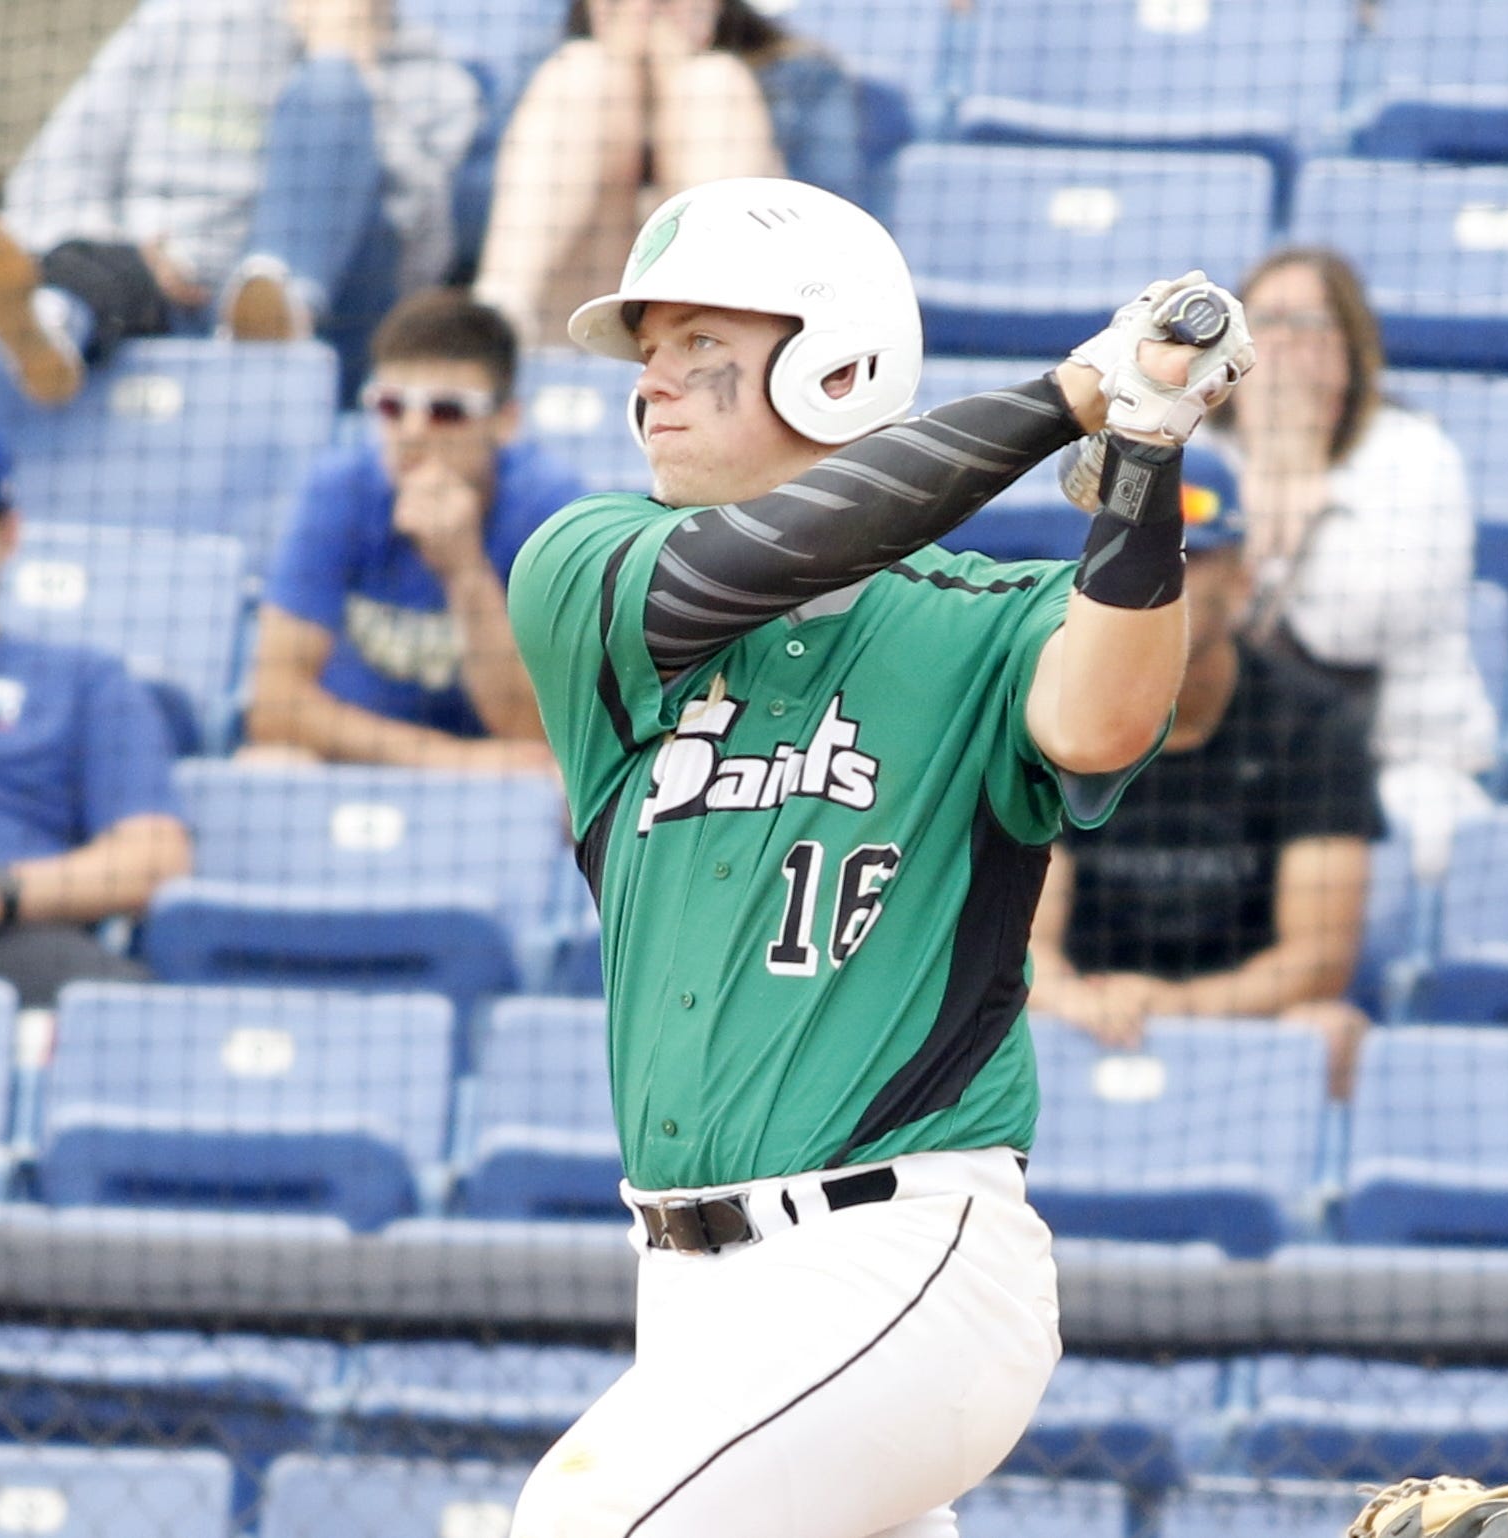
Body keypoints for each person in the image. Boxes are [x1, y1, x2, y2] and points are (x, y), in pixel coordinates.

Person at [503, 176, 1247, 1537]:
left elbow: (1102, 719)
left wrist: (1142, 455)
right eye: (649, 360)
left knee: (585, 1523)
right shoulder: (583, 566)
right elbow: (765, 557)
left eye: (700, 355)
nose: (650, 391)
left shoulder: (982, 618)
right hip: (681, 1286)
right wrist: (1068, 397)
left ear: (836, 368)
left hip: (899, 1254)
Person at [1026, 447, 1383, 1098]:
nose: (1158, 579)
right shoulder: (1054, 712)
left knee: (1330, 1029)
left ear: (1243, 581)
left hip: (1243, 1024)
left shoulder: (1313, 727)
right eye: (1137, 556)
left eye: (1189, 558)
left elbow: (1319, 962)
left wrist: (1171, 1006)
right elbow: (1021, 937)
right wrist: (1070, 998)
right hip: (1083, 1017)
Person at [0, 0, 479, 403]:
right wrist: (133, 249)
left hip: (328, 320)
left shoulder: (440, 81)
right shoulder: (182, 18)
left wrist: (351, 65)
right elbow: (50, 176)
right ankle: (51, 326)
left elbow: (422, 259)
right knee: (109, 266)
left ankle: (279, 305)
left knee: (334, 86)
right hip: (156, 289)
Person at [1219, 247, 1497, 879]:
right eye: (1265, 321)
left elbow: (1355, 631)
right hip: (1222, 768)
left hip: (1399, 767)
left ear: (1352, 351)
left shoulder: (1414, 455)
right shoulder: (1191, 450)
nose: (1284, 345)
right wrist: (1268, 485)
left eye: (1311, 325)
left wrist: (1295, 478)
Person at [243, 289, 578, 769]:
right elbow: (273, 705)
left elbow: (535, 730)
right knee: (268, 765)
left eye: (446, 409)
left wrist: (464, 570)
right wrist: (449, 760)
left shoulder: (553, 510)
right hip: (366, 763)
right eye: (391, 406)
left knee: (558, 788)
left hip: (500, 792)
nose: (413, 430)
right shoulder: (340, 489)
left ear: (505, 421)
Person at [472, 0, 863, 350]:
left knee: (712, 82)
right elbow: (463, 226)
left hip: (748, 304)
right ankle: (493, 326)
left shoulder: (798, 72)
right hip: (572, 309)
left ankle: (715, 322)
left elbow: (838, 234)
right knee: (583, 73)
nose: (643, 11)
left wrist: (674, 83)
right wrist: (623, 91)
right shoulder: (549, 64)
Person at [0, 428, 193, 1007]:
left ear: (7, 533)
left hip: (9, 943)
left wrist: (3, 888)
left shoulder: (83, 681)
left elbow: (154, 859)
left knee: (132, 1018)